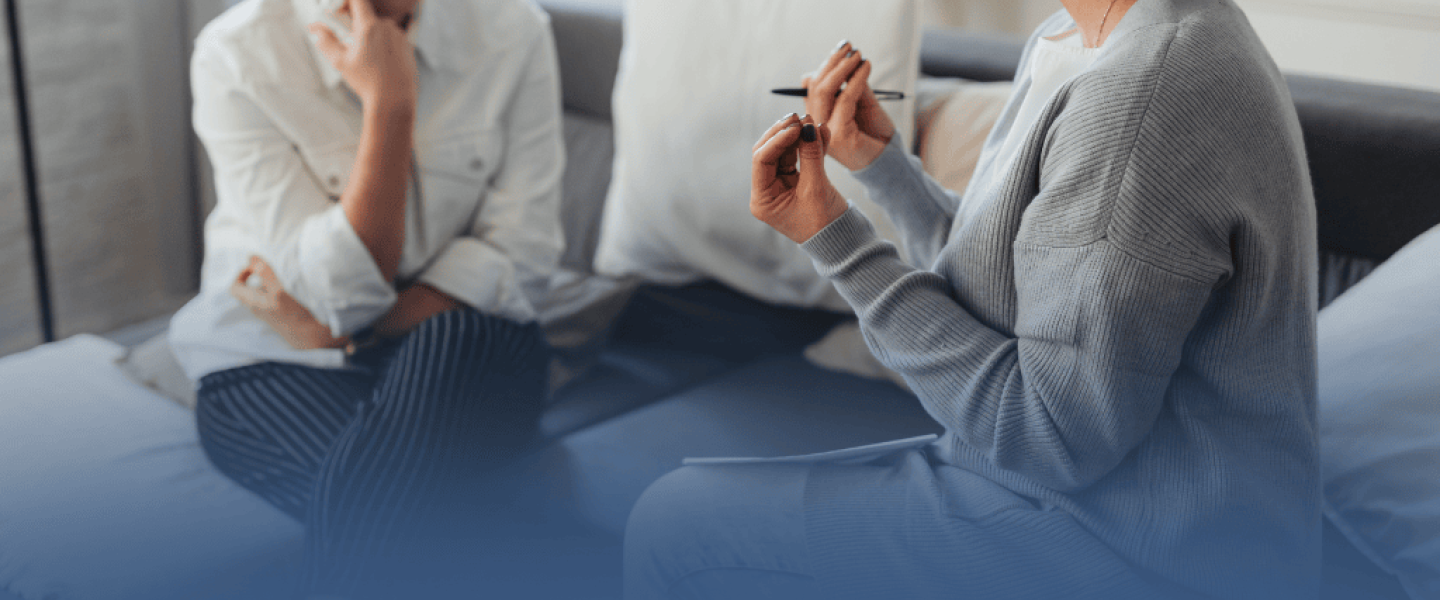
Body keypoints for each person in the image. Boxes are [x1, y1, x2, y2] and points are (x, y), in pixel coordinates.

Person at [623, 0, 1320, 598]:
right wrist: (885, 170)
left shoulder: (1138, 95)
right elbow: (1023, 289)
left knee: (673, 525)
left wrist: (834, 239)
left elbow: (1051, 434)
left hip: (1141, 554)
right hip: (1098, 511)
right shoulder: (1086, 38)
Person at [167, 0, 564, 596]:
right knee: (417, 515)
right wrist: (390, 106)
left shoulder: (513, 28)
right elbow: (335, 293)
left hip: (463, 348)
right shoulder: (237, 52)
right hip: (278, 360)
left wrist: (351, 335)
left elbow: (524, 253)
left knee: (453, 342)